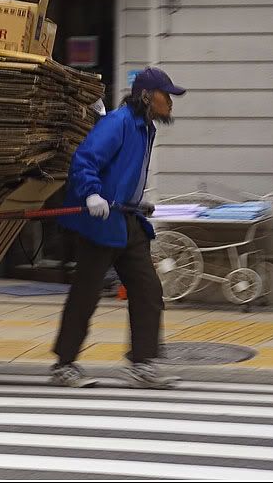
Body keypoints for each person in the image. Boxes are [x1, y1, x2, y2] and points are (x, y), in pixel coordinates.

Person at [50, 67, 186, 389]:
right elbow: (84, 160)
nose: (170, 102)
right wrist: (92, 193)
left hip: (127, 220)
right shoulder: (118, 123)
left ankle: (143, 363)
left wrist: (138, 199)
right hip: (101, 221)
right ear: (147, 96)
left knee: (148, 289)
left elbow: (126, 173)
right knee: (86, 293)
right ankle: (63, 365)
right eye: (166, 95)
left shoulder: (145, 128)